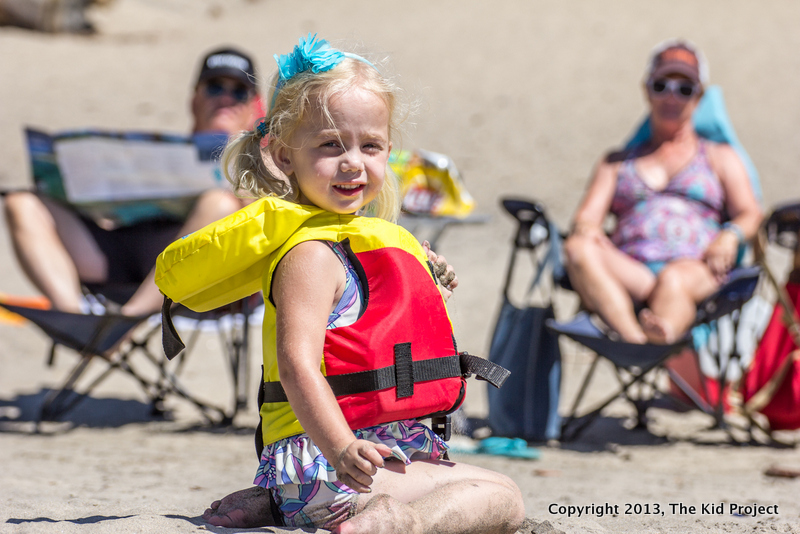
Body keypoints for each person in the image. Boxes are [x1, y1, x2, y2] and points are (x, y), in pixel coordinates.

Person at [154, 35, 524, 533]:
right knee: (502, 496)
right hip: (334, 463)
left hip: (352, 461)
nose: (353, 161)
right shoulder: (310, 255)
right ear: (284, 156)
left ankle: (278, 501)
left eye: (369, 146)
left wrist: (425, 280)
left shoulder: (369, 240)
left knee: (490, 489)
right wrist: (341, 447)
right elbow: (296, 365)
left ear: (388, 151)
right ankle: (397, 522)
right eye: (331, 145)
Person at [2, 46, 262, 317]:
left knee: (220, 204)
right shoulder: (162, 155)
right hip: (122, 251)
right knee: (22, 203)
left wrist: (241, 178)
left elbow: (268, 232)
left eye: (238, 92)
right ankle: (73, 318)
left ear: (251, 107)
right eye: (215, 88)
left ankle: (129, 319)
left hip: (198, 280)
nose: (225, 99)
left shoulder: (267, 162)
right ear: (194, 100)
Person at [563, 39, 763, 345]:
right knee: (577, 248)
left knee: (674, 279)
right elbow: (586, 218)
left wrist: (730, 235)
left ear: (700, 97)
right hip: (633, 272)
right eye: (661, 86)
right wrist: (588, 230)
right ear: (647, 90)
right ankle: (636, 340)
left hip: (694, 266)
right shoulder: (616, 162)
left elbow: (750, 212)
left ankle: (663, 333)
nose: (672, 96)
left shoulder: (719, 156)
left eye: (684, 89)